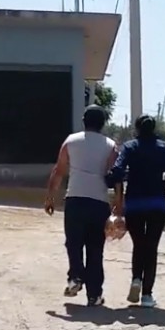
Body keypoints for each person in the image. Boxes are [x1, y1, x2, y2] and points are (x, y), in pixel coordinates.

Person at [45, 105, 117, 307]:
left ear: (84, 121)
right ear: (103, 123)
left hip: (75, 200)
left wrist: (50, 197)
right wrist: (120, 202)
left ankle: (75, 277)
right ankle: (94, 295)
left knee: (73, 243)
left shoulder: (71, 141)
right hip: (99, 202)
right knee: (95, 249)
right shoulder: (111, 145)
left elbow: (59, 171)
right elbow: (116, 176)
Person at [106, 114, 165, 308]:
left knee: (139, 244)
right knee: (151, 247)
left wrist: (114, 183)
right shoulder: (163, 148)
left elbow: (118, 169)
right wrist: (163, 186)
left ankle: (136, 279)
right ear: (154, 128)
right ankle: (147, 295)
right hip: (157, 203)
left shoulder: (130, 147)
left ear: (137, 129)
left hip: (135, 203)